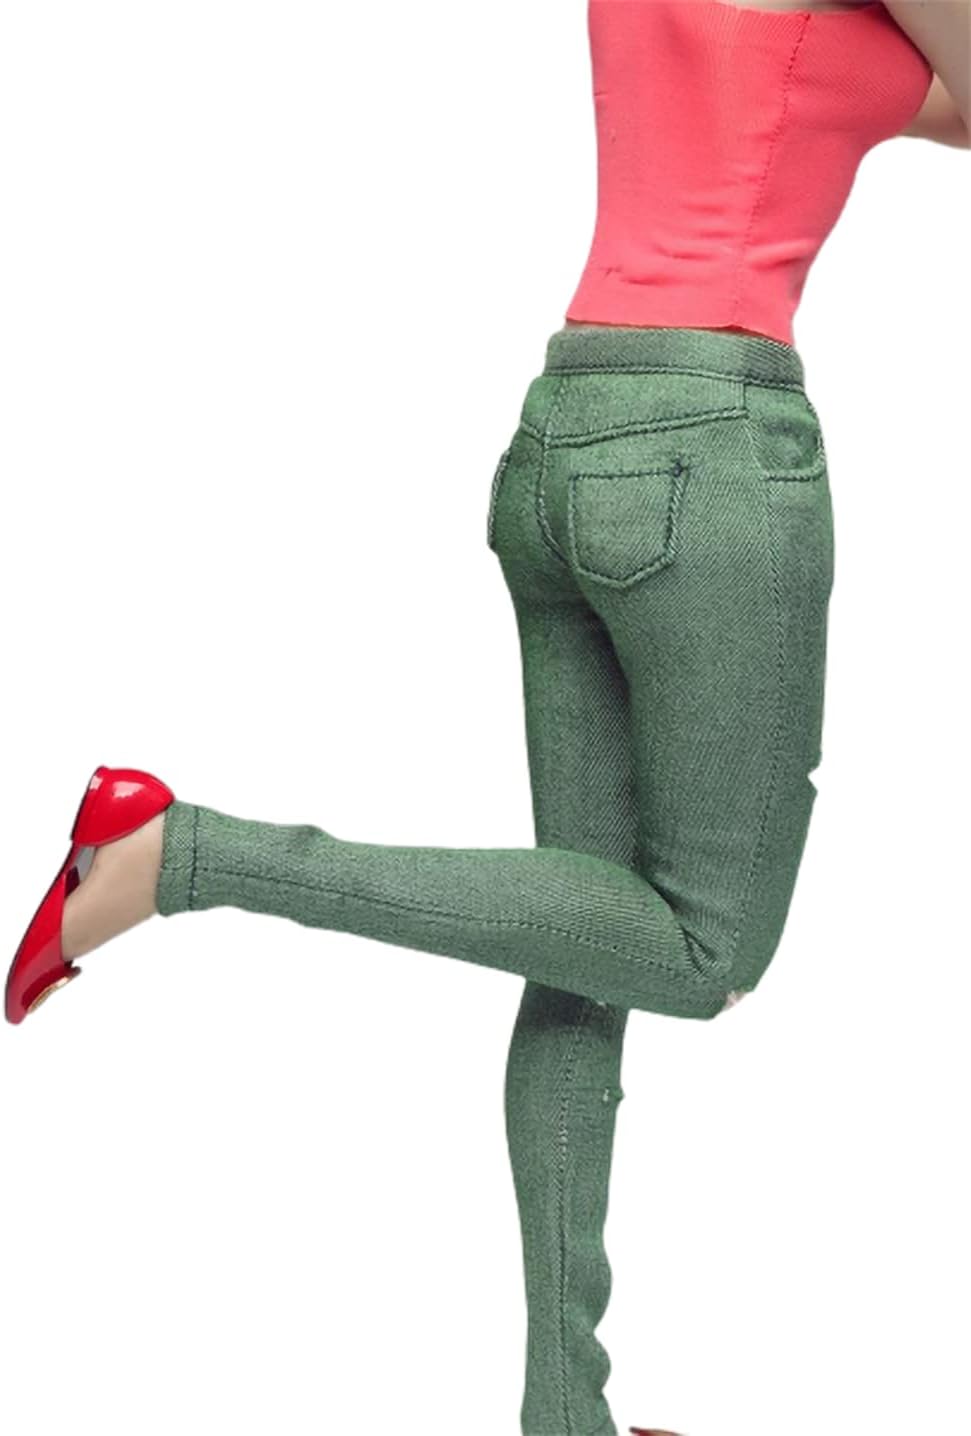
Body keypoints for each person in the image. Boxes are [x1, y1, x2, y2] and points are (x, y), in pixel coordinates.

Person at [6, 3, 968, 1434]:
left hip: (564, 429)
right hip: (714, 449)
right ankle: (181, 856)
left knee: (584, 949)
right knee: (707, 953)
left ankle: (562, 1414)